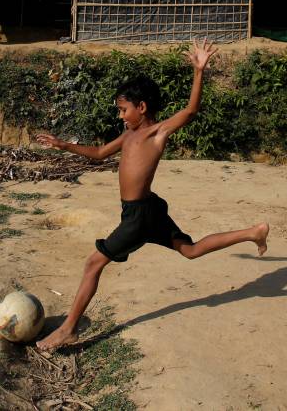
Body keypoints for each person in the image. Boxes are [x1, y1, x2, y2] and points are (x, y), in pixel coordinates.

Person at [35, 39, 270, 352]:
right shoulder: (129, 135)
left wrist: (198, 71)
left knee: (93, 264)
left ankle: (68, 329)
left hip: (139, 216)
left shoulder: (156, 133)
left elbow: (190, 110)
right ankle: (253, 232)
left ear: (141, 108)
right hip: (148, 209)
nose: (120, 116)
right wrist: (63, 144)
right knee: (190, 250)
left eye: (123, 110)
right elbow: (100, 153)